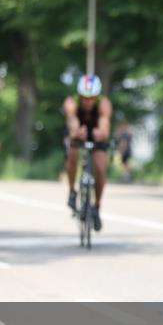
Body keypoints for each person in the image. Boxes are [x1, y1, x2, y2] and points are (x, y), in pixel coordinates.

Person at [64, 74, 112, 231]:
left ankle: (96, 207)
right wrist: (77, 132)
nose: (88, 101)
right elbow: (72, 123)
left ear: (97, 97)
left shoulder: (104, 104)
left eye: (91, 98)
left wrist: (101, 134)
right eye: (84, 97)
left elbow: (105, 125)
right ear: (80, 95)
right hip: (79, 132)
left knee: (100, 168)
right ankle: (72, 191)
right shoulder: (72, 103)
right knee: (73, 154)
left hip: (96, 133)